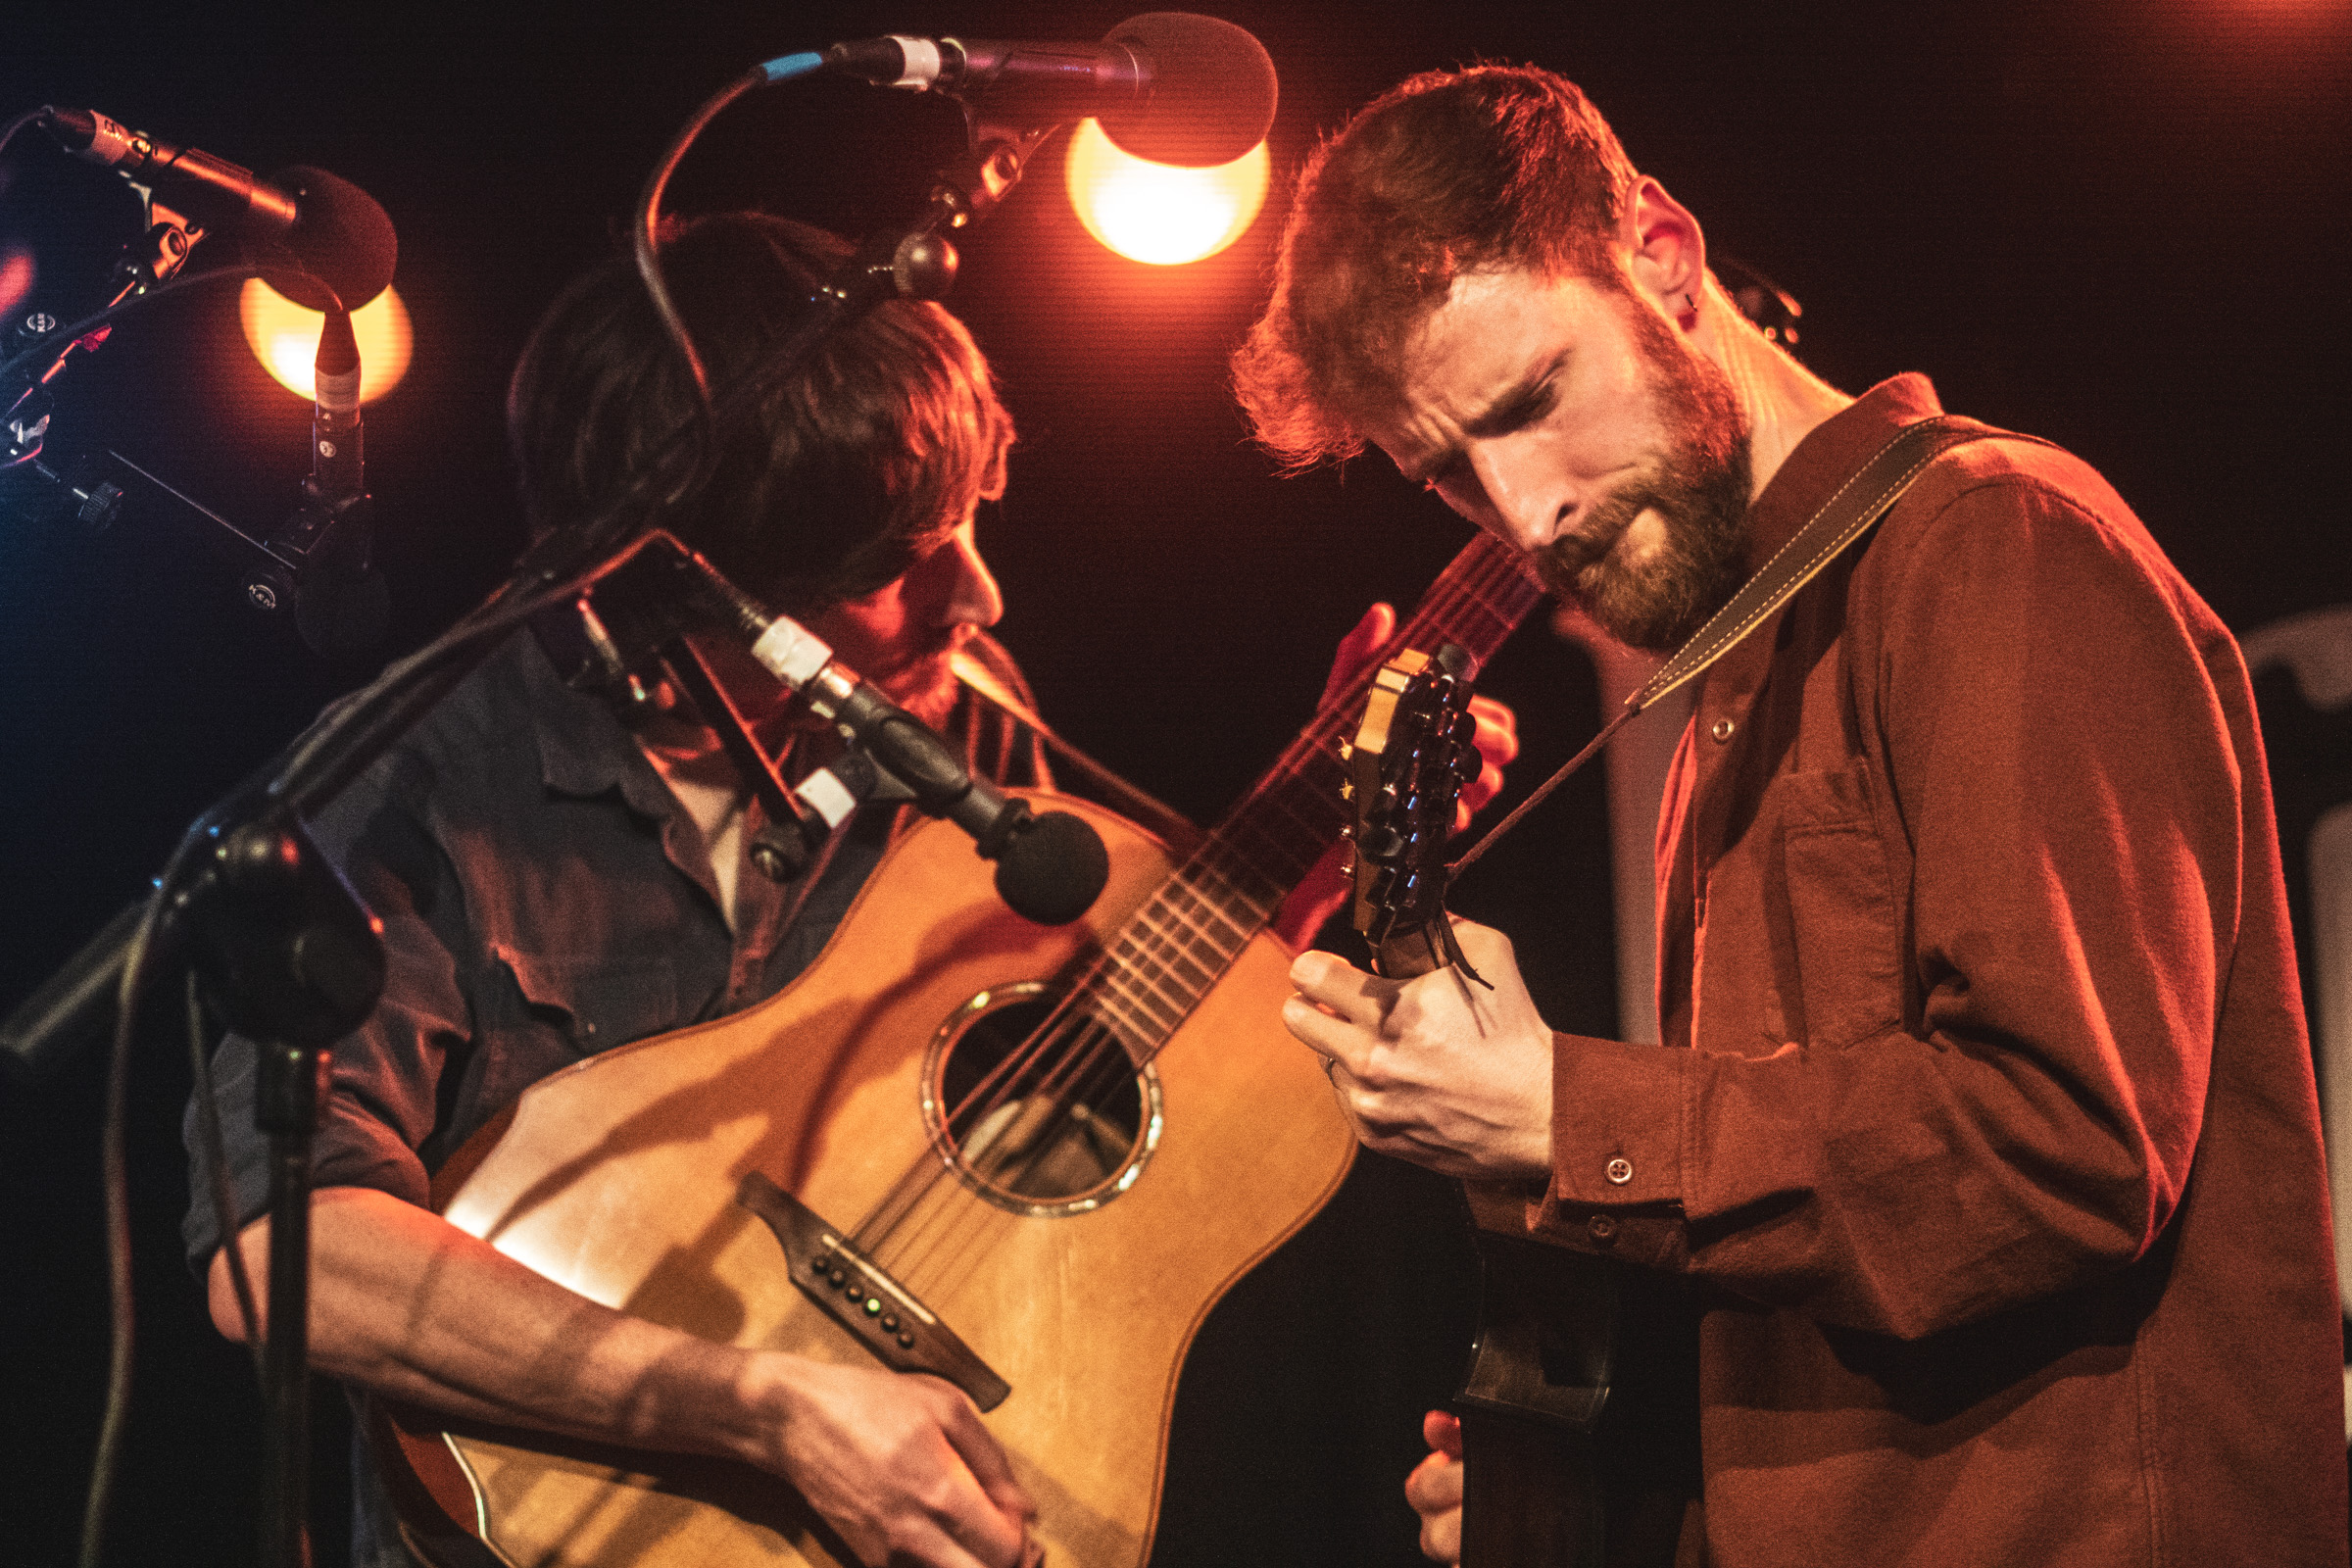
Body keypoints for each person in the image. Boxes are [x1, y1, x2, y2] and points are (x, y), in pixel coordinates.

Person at [181, 213, 1511, 1568]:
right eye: (895, 567)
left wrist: (1316, 859)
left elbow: (1099, 1044)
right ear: (680, 586)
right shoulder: (415, 781)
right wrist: (763, 1409)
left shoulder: (951, 724)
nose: (977, 599)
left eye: (969, 525)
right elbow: (276, 1250)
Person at [1239, 65, 2346, 1567]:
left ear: (1663, 258)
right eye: (1449, 472)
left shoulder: (1992, 540)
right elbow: (1839, 1297)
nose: (1523, 512)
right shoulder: (1736, 684)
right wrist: (1586, 1488)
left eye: (1533, 400)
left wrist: (1570, 1114)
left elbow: (2068, 1148)